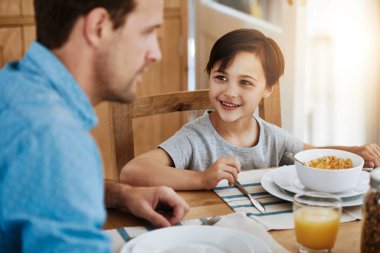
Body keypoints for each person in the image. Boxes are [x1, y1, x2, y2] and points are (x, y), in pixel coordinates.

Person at [0, 0, 189, 252]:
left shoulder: (12, 84)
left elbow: (39, 185)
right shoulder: (56, 138)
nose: (156, 53)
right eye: (147, 32)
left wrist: (123, 195)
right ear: (99, 27)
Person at [120, 29, 380, 190]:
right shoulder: (195, 138)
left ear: (268, 89)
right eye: (221, 77)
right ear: (209, 75)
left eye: (245, 82)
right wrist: (201, 179)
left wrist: (353, 151)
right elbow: (132, 172)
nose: (230, 92)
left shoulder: (273, 137)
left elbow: (312, 154)